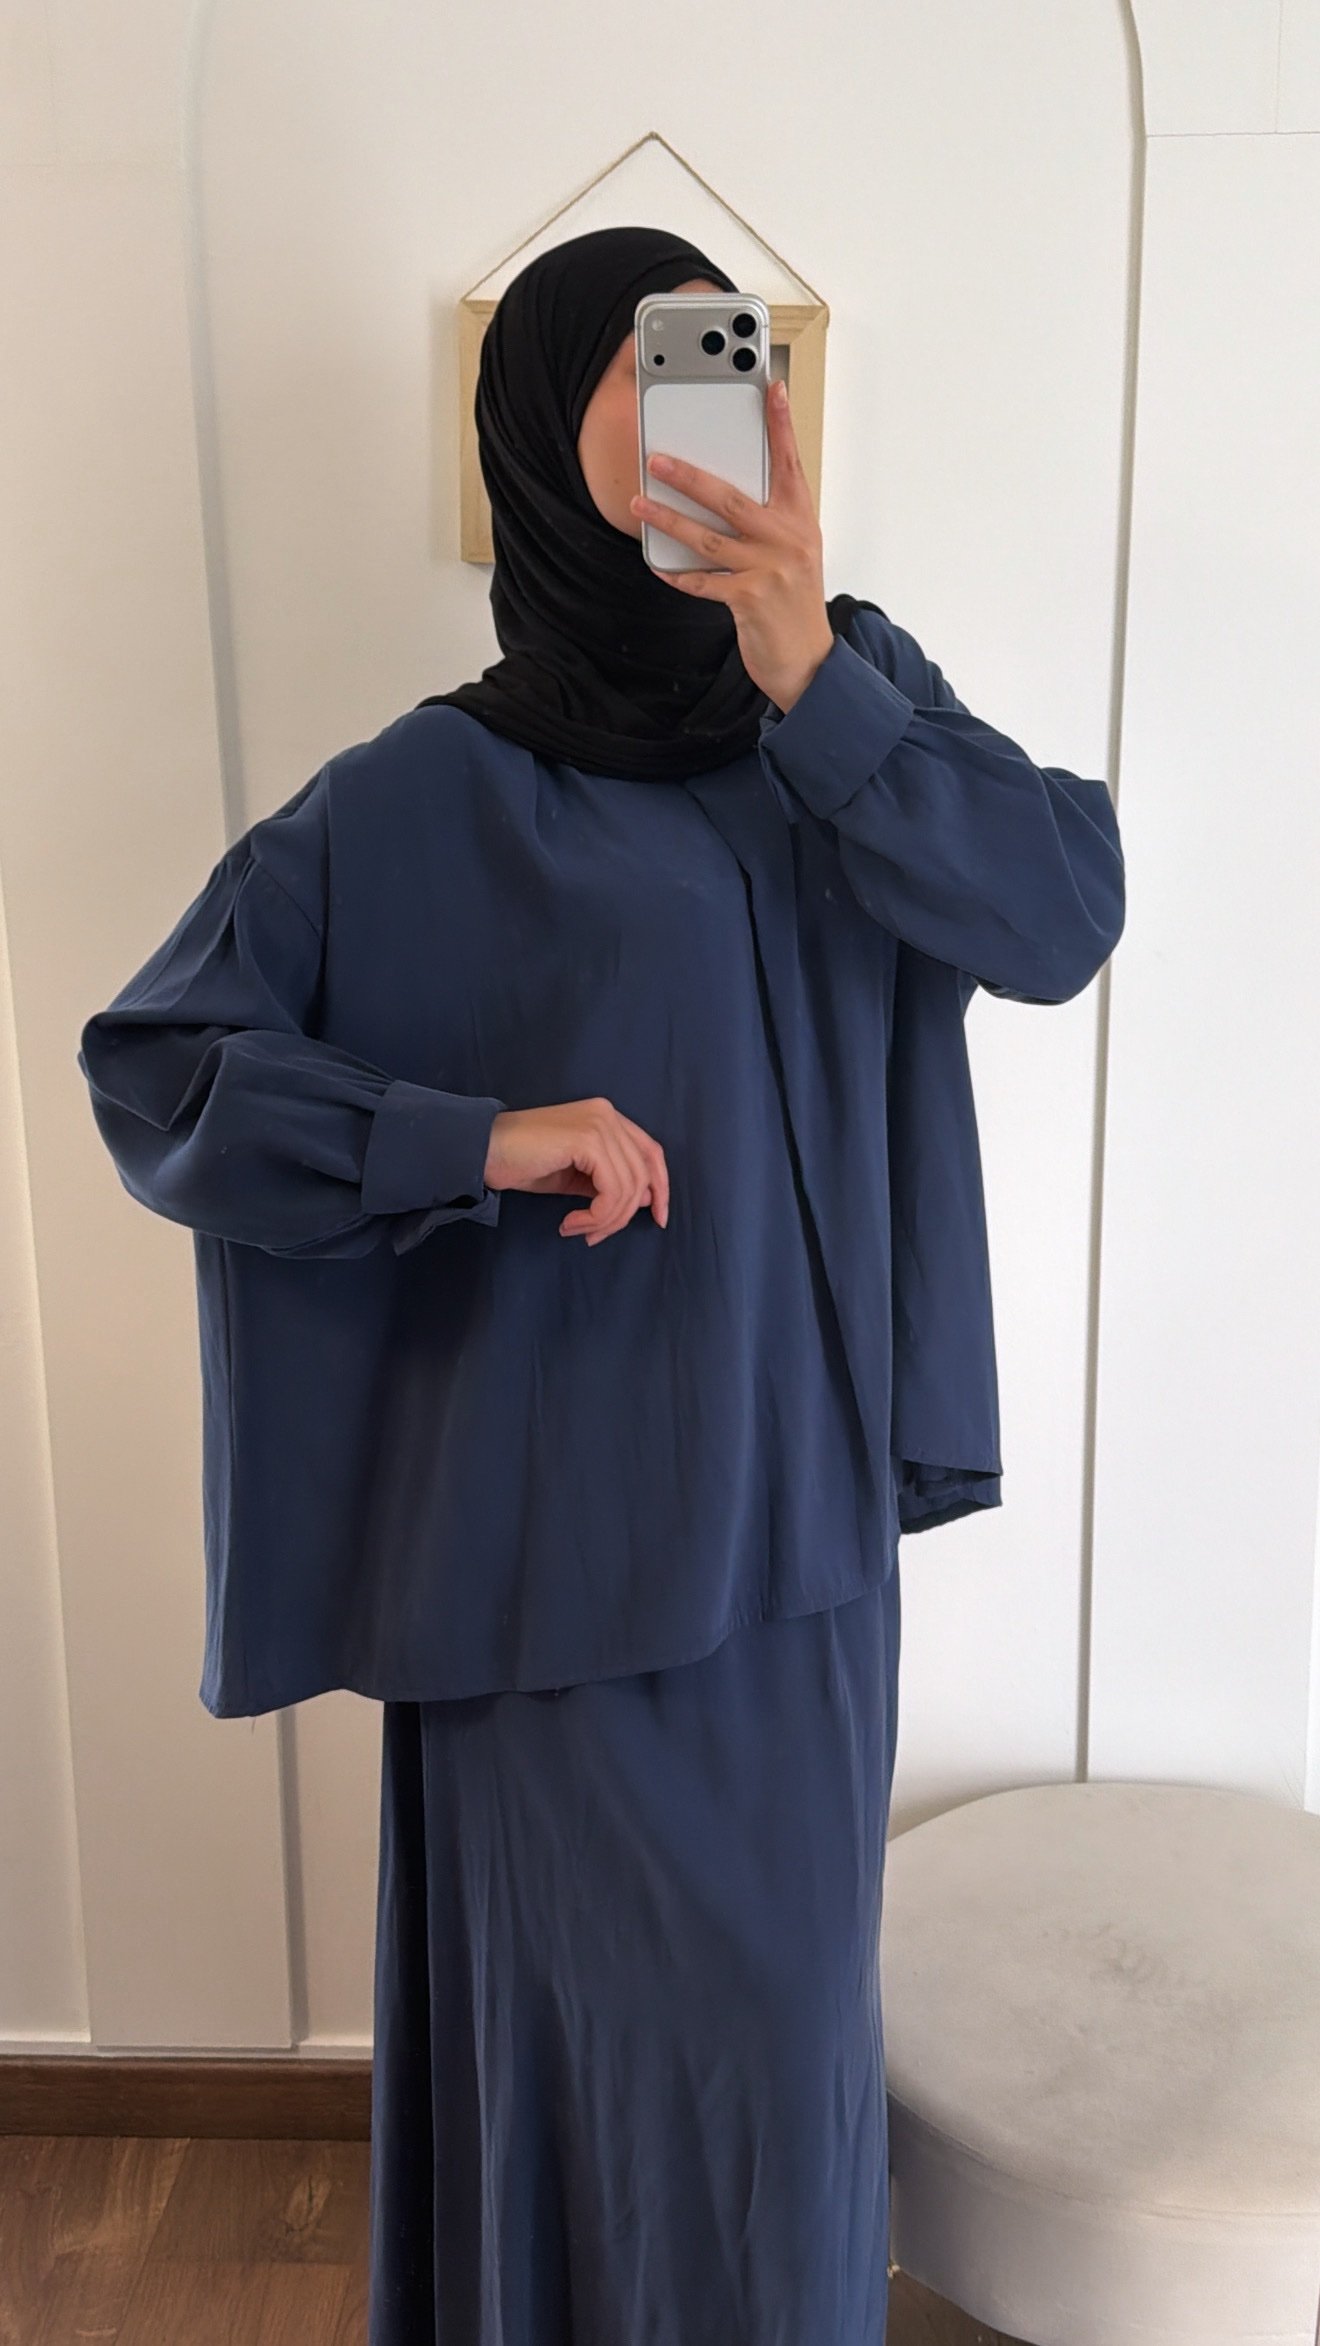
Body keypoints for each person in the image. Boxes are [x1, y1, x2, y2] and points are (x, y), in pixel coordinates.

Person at [76, 224, 1125, 2343]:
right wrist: (463, 1138)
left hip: (798, 1568)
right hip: (540, 1588)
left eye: (731, 360)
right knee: (575, 2090)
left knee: (779, 2098)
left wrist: (813, 675)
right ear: (542, 435)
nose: (716, 405)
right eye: (652, 365)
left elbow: (1057, 915)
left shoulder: (850, 703)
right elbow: (160, 1069)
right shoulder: (423, 797)